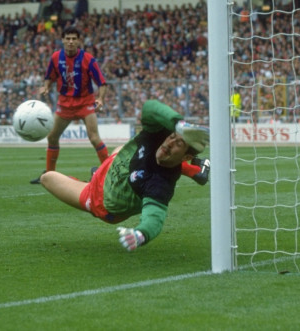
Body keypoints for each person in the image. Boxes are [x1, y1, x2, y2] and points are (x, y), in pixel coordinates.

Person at [40, 99, 210, 251]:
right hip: (114, 167)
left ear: (187, 157)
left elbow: (155, 217)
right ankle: (197, 171)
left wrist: (142, 234)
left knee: (47, 178)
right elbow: (149, 107)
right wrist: (177, 122)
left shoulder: (160, 183)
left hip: (100, 198)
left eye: (178, 143)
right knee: (121, 150)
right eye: (172, 136)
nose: (170, 142)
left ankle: (91, 180)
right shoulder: (158, 136)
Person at [31, 26, 109, 184]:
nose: (71, 42)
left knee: (94, 138)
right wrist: (46, 86)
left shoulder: (88, 59)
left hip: (85, 102)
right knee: (52, 137)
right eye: (68, 38)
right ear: (63, 40)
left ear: (79, 41)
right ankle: (49, 175)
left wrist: (100, 99)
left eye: (74, 38)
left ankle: (110, 173)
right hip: (65, 103)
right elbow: (49, 76)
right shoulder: (55, 57)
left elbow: (102, 82)